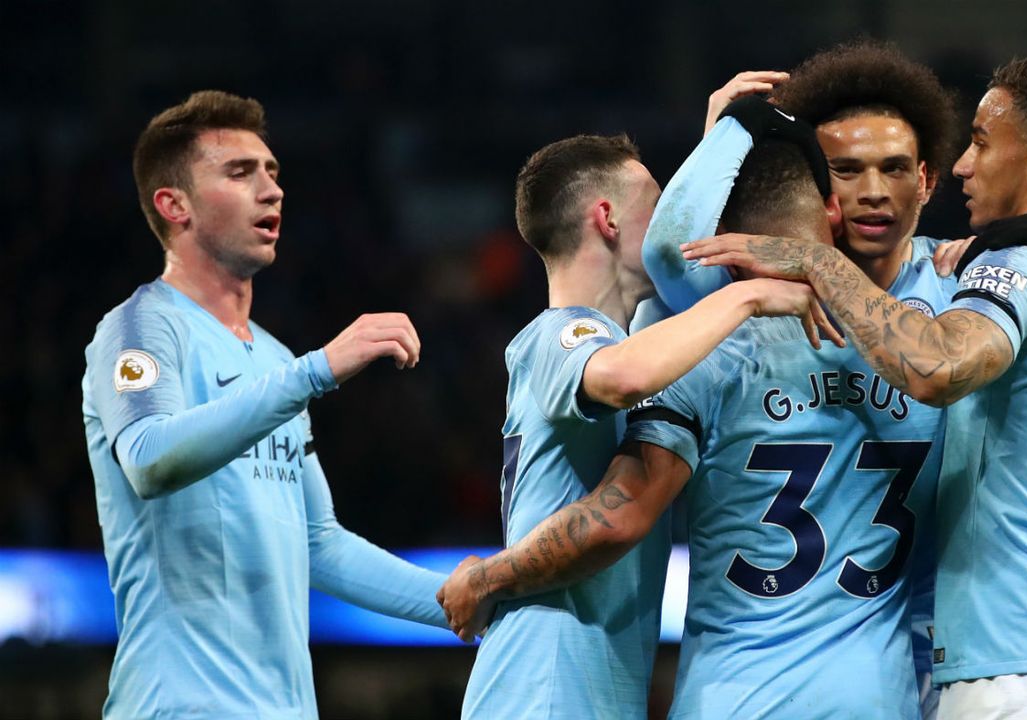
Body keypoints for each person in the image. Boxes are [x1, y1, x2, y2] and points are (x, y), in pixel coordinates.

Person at [682, 54, 1027, 719]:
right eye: (847, 171)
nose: (963, 165)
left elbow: (937, 367)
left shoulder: (1013, 269)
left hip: (1020, 658)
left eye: (981, 143)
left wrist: (813, 260)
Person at [441, 101, 941, 714]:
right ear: (607, 220)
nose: (678, 220)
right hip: (549, 681)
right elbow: (627, 369)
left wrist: (482, 580)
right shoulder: (564, 337)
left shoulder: (685, 344)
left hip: (688, 690)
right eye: (663, 200)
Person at [81, 90, 453, 719]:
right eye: (239, 172)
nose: (272, 189)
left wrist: (468, 595)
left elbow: (319, 543)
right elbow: (147, 458)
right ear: (175, 206)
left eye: (273, 172)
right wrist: (318, 371)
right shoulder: (140, 328)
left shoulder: (274, 360)